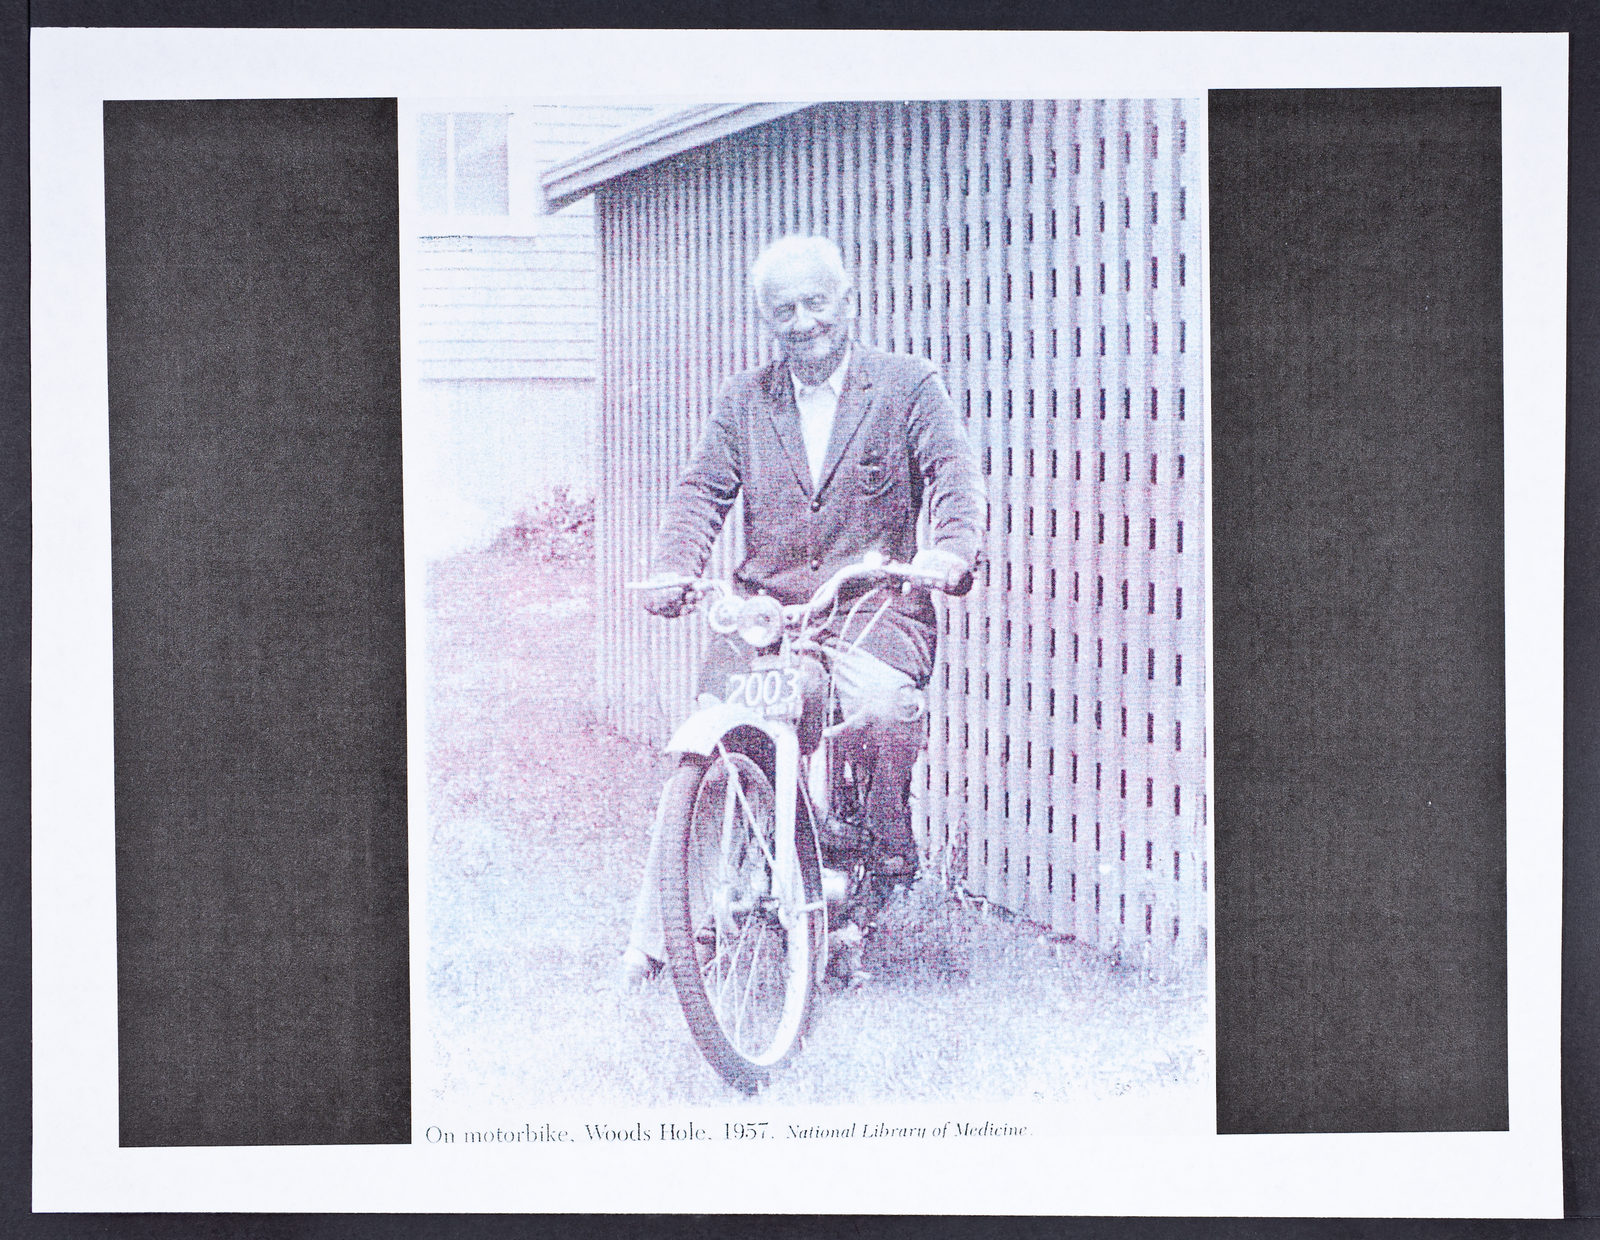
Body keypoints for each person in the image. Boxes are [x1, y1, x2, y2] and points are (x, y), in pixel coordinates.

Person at [622, 234, 985, 984]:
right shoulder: (744, 400)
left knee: (884, 709)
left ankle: (880, 850)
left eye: (816, 303)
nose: (803, 323)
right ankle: (663, 941)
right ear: (766, 319)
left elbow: (951, 472)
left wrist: (950, 549)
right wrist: (673, 568)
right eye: (783, 310)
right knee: (713, 742)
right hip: (767, 611)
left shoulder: (908, 385)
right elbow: (701, 490)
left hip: (871, 608)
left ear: (847, 302)